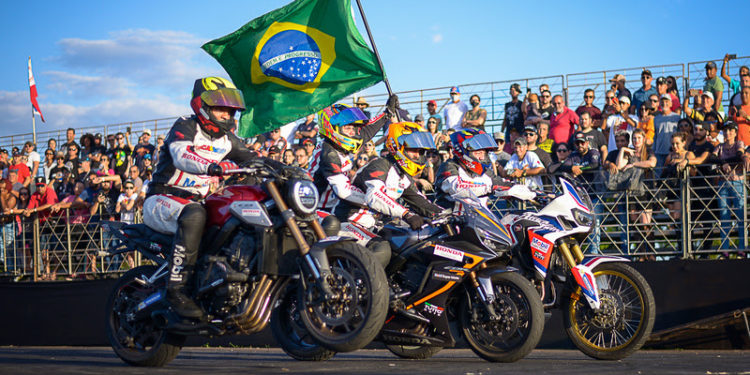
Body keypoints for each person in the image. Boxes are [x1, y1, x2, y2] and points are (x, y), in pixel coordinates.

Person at [143, 76, 262, 319]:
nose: (227, 115)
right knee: (195, 213)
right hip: (163, 198)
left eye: (230, 110)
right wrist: (212, 167)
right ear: (202, 105)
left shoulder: (228, 139)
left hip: (196, 203)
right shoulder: (186, 125)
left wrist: (284, 170)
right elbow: (181, 154)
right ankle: (177, 289)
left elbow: (252, 159)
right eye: (221, 108)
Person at [334, 121, 443, 266]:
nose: (417, 155)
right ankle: (364, 287)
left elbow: (422, 202)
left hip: (374, 225)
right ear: (398, 147)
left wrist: (449, 215)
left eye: (420, 152)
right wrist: (406, 214)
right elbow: (374, 196)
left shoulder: (403, 176)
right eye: (413, 150)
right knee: (381, 249)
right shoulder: (380, 164)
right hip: (350, 220)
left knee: (414, 244)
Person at [309, 101, 393, 212]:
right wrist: (378, 202)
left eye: (354, 128)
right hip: (316, 210)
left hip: (334, 206)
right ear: (332, 128)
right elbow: (343, 191)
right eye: (348, 128)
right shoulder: (328, 152)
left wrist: (387, 114)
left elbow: (367, 132)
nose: (352, 132)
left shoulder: (340, 145)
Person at [435, 128, 511, 213]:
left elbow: (499, 182)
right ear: (463, 151)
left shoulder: (484, 171)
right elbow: (457, 187)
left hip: (479, 219)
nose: (482, 157)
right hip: (451, 220)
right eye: (478, 153)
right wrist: (490, 187)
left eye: (484, 153)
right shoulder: (448, 166)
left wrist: (517, 189)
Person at [714, 121, 745, 252]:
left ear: (735, 132)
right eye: (726, 130)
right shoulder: (719, 146)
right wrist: (723, 164)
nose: (728, 132)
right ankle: (725, 250)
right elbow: (712, 158)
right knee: (724, 216)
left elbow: (739, 156)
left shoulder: (739, 143)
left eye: (731, 130)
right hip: (723, 183)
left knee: (740, 216)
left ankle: (742, 248)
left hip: (737, 181)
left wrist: (724, 163)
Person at [653, 94, 681, 169]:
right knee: (659, 177)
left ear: (671, 103)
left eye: (667, 101)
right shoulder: (656, 119)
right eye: (662, 101)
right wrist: (654, 150)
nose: (664, 103)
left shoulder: (677, 117)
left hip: (673, 152)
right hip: (659, 153)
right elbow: (655, 136)